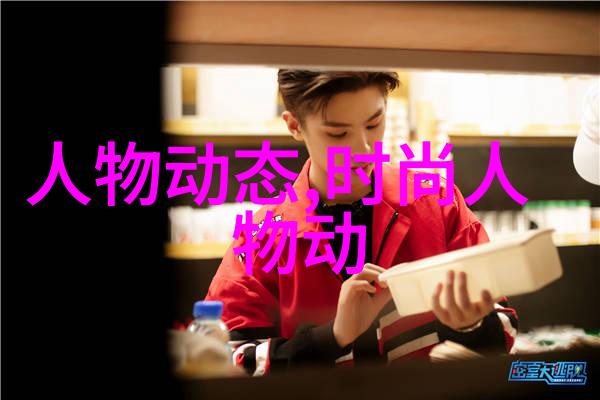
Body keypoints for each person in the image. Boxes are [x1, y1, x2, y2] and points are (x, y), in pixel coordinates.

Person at [205, 70, 519, 376]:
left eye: (373, 124)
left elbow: (505, 324)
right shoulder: (262, 237)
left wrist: (471, 325)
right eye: (338, 133)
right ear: (295, 125)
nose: (364, 149)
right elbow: (220, 361)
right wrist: (332, 337)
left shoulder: (437, 203)